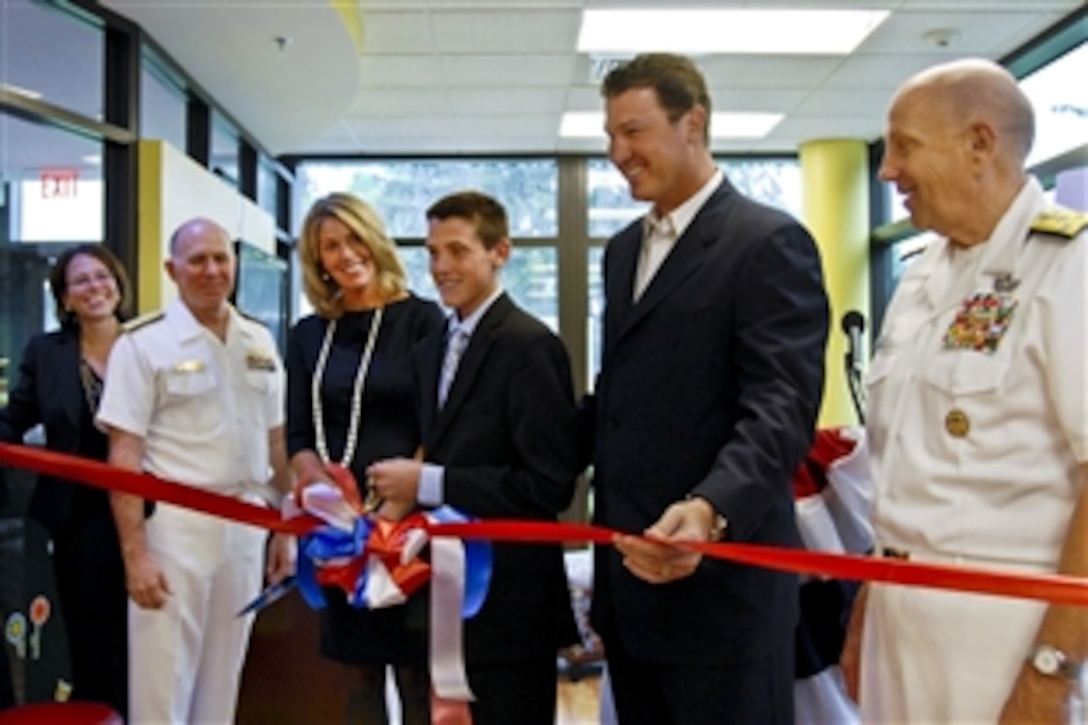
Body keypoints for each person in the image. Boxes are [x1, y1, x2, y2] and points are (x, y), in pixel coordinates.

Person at [584, 53, 829, 724]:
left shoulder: (767, 241)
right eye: (609, 136)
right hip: (632, 590)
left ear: (692, 122)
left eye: (633, 131)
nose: (618, 152)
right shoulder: (623, 252)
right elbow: (624, 399)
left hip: (722, 595)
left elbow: (781, 406)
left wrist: (710, 508)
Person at [840, 58, 1087, 723]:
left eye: (905, 146)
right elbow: (904, 469)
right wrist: (868, 600)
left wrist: (1052, 669)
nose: (888, 169)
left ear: (980, 144)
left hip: (1005, 632)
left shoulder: (1071, 267)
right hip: (901, 614)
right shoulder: (922, 277)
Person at [367, 190, 581, 724]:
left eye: (458, 251)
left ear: (500, 252)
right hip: (438, 602)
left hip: (510, 607)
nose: (441, 267)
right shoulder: (433, 345)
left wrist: (428, 483)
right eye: (433, 252)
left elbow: (549, 486)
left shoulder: (530, 346)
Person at [96, 218, 295, 724]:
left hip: (247, 526)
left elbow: (276, 446)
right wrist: (135, 554)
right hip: (176, 530)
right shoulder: (142, 344)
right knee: (163, 685)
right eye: (198, 260)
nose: (212, 270)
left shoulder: (258, 340)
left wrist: (284, 530)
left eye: (221, 258)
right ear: (172, 269)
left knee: (223, 683)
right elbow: (123, 454)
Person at [286, 192, 444, 724]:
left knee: (416, 677)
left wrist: (393, 514)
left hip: (409, 529)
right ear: (317, 259)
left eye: (354, 237)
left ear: (375, 239)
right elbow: (300, 434)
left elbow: (438, 425)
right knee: (357, 679)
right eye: (330, 245)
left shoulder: (423, 321)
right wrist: (327, 499)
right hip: (339, 535)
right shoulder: (308, 335)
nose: (345, 253)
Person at [0, 245, 133, 717]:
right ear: (65, 298)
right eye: (81, 281)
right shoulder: (47, 353)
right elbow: (14, 419)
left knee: (142, 637)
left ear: (118, 284)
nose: (95, 287)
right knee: (88, 635)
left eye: (102, 276)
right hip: (78, 521)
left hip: (150, 512)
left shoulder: (149, 346)